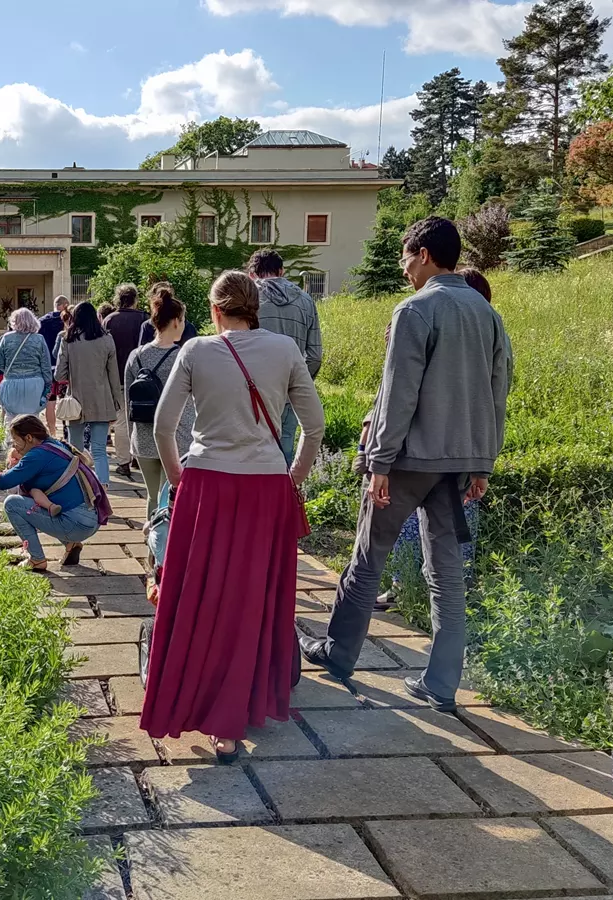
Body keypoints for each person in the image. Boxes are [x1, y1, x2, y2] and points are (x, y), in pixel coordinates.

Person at [301, 217, 512, 714]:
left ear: (422, 254)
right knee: (446, 571)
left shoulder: (416, 310)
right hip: (461, 461)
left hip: (408, 459)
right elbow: (498, 390)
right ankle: (441, 683)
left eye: (404, 256)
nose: (401, 267)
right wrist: (484, 460)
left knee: (367, 557)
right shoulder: (487, 314)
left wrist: (378, 461)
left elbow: (398, 393)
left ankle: (339, 652)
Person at [140, 270, 325, 762]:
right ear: (255, 307)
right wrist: (294, 478)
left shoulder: (197, 351)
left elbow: (163, 427)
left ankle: (198, 705)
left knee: (200, 596)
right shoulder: (285, 350)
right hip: (266, 484)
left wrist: (180, 478)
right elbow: (314, 425)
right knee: (252, 599)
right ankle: (238, 711)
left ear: (216, 310)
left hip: (207, 483)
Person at [371, 266, 492, 610]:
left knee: (429, 530)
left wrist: (382, 454)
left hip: (423, 453)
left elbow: (402, 394)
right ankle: (426, 592)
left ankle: (429, 593)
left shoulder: (440, 320)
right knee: (439, 533)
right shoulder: (468, 325)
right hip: (463, 453)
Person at [0, 414, 100, 571]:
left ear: (29, 437)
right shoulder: (54, 444)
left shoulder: (37, 455)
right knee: (47, 501)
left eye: (16, 440)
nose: (14, 445)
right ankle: (70, 544)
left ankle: (37, 559)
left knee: (12, 504)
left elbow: (3, 481)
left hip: (76, 524)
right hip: (90, 519)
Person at [123, 283, 194, 521]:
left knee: (153, 496)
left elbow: (128, 402)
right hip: (178, 436)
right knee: (169, 497)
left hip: (143, 435)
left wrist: (132, 442)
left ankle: (151, 548)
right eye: (182, 320)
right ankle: (163, 549)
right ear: (175, 321)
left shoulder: (136, 355)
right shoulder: (184, 355)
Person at [248, 249, 323, 466]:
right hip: (290, 392)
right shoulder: (306, 301)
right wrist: (296, 381)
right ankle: (283, 497)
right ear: (282, 271)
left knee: (249, 453)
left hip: (250, 391)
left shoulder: (248, 299)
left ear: (252, 274)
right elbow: (315, 355)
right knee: (284, 452)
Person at [54, 301, 123, 485]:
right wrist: (117, 402)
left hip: (76, 401)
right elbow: (114, 375)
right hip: (102, 400)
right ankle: (103, 487)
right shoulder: (107, 339)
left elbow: (59, 374)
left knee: (76, 450)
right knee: (99, 449)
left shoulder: (68, 340)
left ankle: (79, 487)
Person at [104, 284, 149, 479]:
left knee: (121, 421)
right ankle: (139, 456)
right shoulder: (144, 319)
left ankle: (123, 461)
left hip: (116, 377)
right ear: (135, 299)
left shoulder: (108, 320)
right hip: (142, 376)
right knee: (140, 419)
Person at [0, 308, 53, 431]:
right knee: (33, 418)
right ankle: (31, 445)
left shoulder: (6, 338)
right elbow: (46, 366)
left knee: (11, 418)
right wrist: (48, 385)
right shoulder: (39, 339)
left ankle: (12, 445)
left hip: (12, 383)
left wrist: (10, 370)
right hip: (34, 384)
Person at [39, 296, 70, 435]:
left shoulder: (42, 321)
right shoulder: (68, 320)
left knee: (50, 400)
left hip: (48, 366)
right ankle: (66, 428)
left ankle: (52, 431)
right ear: (65, 304)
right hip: (65, 366)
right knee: (66, 399)